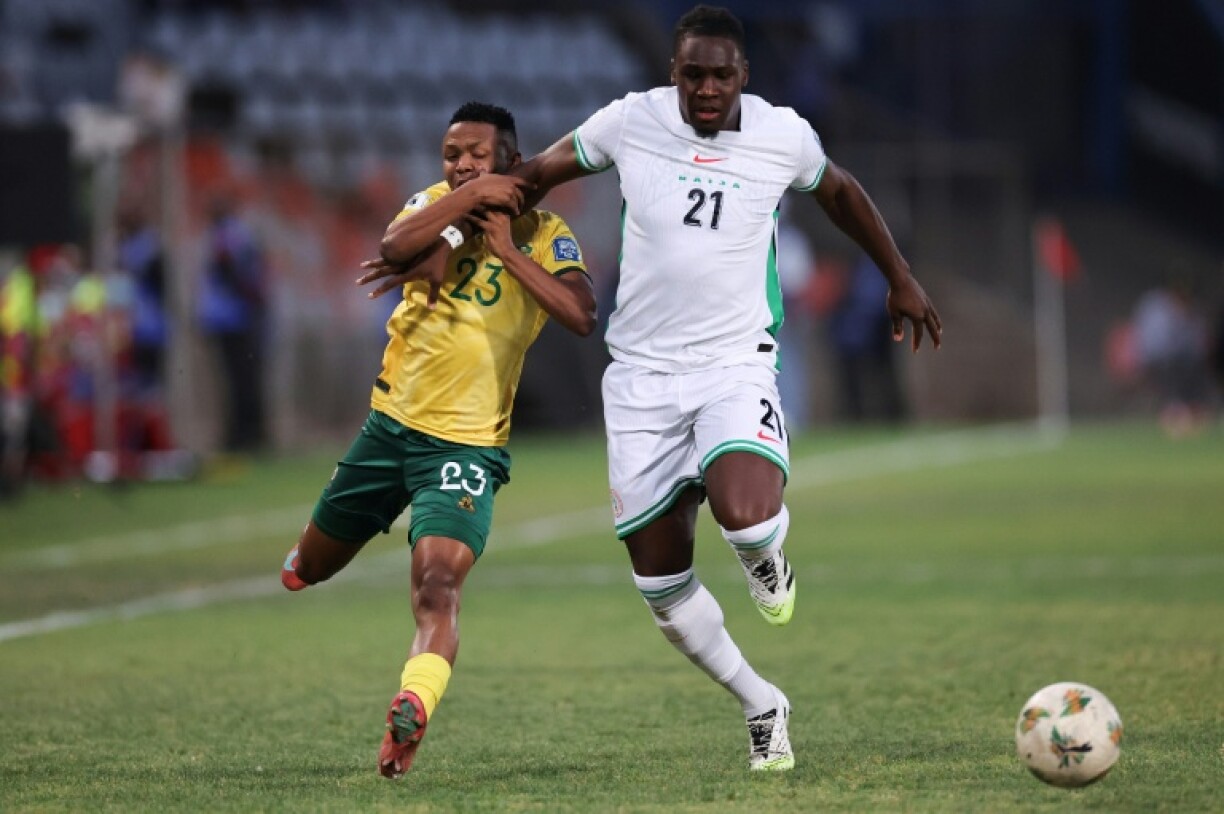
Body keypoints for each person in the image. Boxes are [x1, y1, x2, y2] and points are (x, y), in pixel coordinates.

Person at [363, 5, 941, 773]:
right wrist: (449, 236)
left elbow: (840, 192)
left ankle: (767, 555)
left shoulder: (782, 134)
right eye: (692, 74)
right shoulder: (631, 121)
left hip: (733, 360)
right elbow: (532, 177)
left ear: (743, 76)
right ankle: (762, 703)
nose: (706, 88)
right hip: (639, 378)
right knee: (664, 590)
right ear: (674, 73)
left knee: (744, 519)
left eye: (721, 75)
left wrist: (899, 275)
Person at [279, 102, 596, 780]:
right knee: (310, 568)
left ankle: (412, 709)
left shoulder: (547, 234)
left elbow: (580, 314)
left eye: (477, 155)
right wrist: (467, 206)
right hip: (388, 429)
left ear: (512, 161)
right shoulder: (431, 206)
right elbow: (395, 247)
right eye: (452, 155)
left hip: (465, 449)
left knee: (437, 586)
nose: (461, 165)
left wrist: (506, 252)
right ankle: (312, 550)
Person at [197, 195, 269, 453]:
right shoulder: (226, 234)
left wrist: (251, 302)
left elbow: (238, 274)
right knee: (237, 379)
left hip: (235, 319)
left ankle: (245, 434)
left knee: (241, 379)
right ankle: (244, 432)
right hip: (228, 318)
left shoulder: (231, 236)